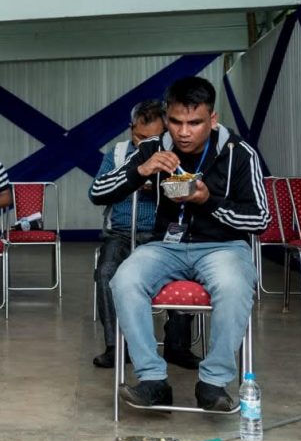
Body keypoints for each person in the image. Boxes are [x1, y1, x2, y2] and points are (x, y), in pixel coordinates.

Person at [91, 77, 269, 411]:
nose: (184, 132)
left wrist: (208, 201)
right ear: (167, 118)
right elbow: (97, 193)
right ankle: (153, 380)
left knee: (233, 285)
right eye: (175, 122)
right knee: (124, 279)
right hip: (166, 246)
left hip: (223, 247)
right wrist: (139, 170)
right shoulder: (154, 147)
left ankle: (213, 383)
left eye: (194, 123)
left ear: (212, 119)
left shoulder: (239, 154)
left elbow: (260, 219)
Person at [88, 100, 197, 369]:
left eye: (153, 138)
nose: (144, 143)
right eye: (139, 136)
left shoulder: (177, 152)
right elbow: (96, 192)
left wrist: (164, 185)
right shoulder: (116, 153)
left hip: (164, 233)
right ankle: (116, 346)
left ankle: (177, 345)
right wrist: (133, 178)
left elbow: (195, 190)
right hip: (122, 232)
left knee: (185, 270)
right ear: (130, 129)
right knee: (106, 272)